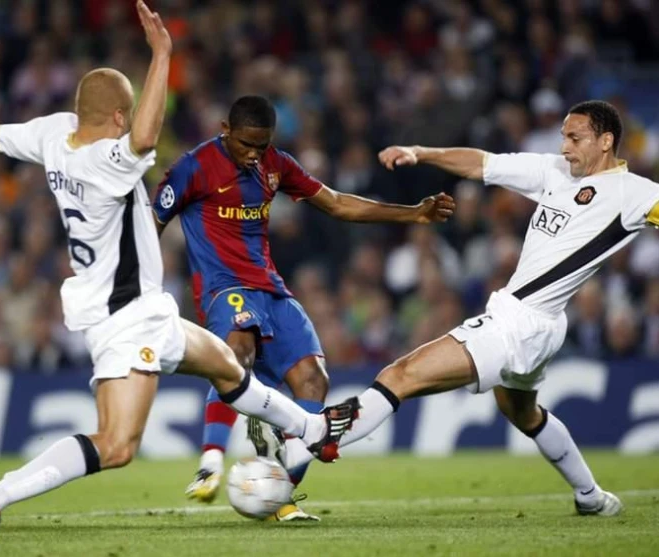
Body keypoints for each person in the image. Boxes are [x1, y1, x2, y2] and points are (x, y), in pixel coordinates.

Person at [0, 2, 356, 541]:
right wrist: (161, 57)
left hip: (139, 306)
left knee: (226, 365)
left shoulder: (53, 134)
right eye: (125, 116)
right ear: (116, 119)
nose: (128, 124)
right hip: (126, 318)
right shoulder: (109, 159)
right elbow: (146, 138)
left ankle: (312, 428)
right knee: (116, 445)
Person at [276, 100, 657, 516]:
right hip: (539, 325)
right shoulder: (556, 171)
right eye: (563, 135)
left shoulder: (635, 194)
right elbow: (483, 164)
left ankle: (308, 442)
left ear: (606, 141)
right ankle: (592, 498)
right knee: (523, 413)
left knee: (400, 376)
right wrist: (423, 153)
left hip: (520, 324)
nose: (564, 146)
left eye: (574, 137)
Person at [152, 95, 455, 521]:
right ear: (225, 130)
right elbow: (152, 223)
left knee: (314, 380)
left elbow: (337, 202)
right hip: (224, 287)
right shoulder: (193, 167)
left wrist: (413, 215)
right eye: (245, 145)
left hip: (270, 287)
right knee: (237, 355)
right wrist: (141, 284)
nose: (253, 154)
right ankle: (210, 464)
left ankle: (278, 493)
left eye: (262, 145)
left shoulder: (276, 164)